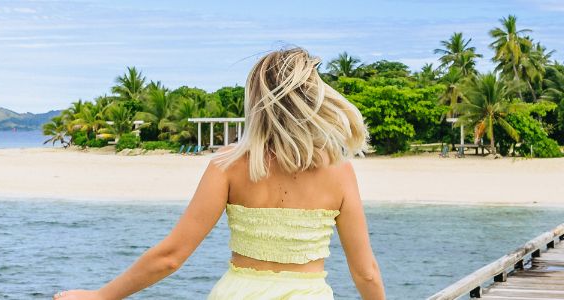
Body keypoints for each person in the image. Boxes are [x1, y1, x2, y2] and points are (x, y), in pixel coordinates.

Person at [55, 47, 386, 300]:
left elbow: (171, 257)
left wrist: (101, 295)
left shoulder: (229, 164)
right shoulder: (339, 170)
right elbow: (365, 273)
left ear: (256, 100)